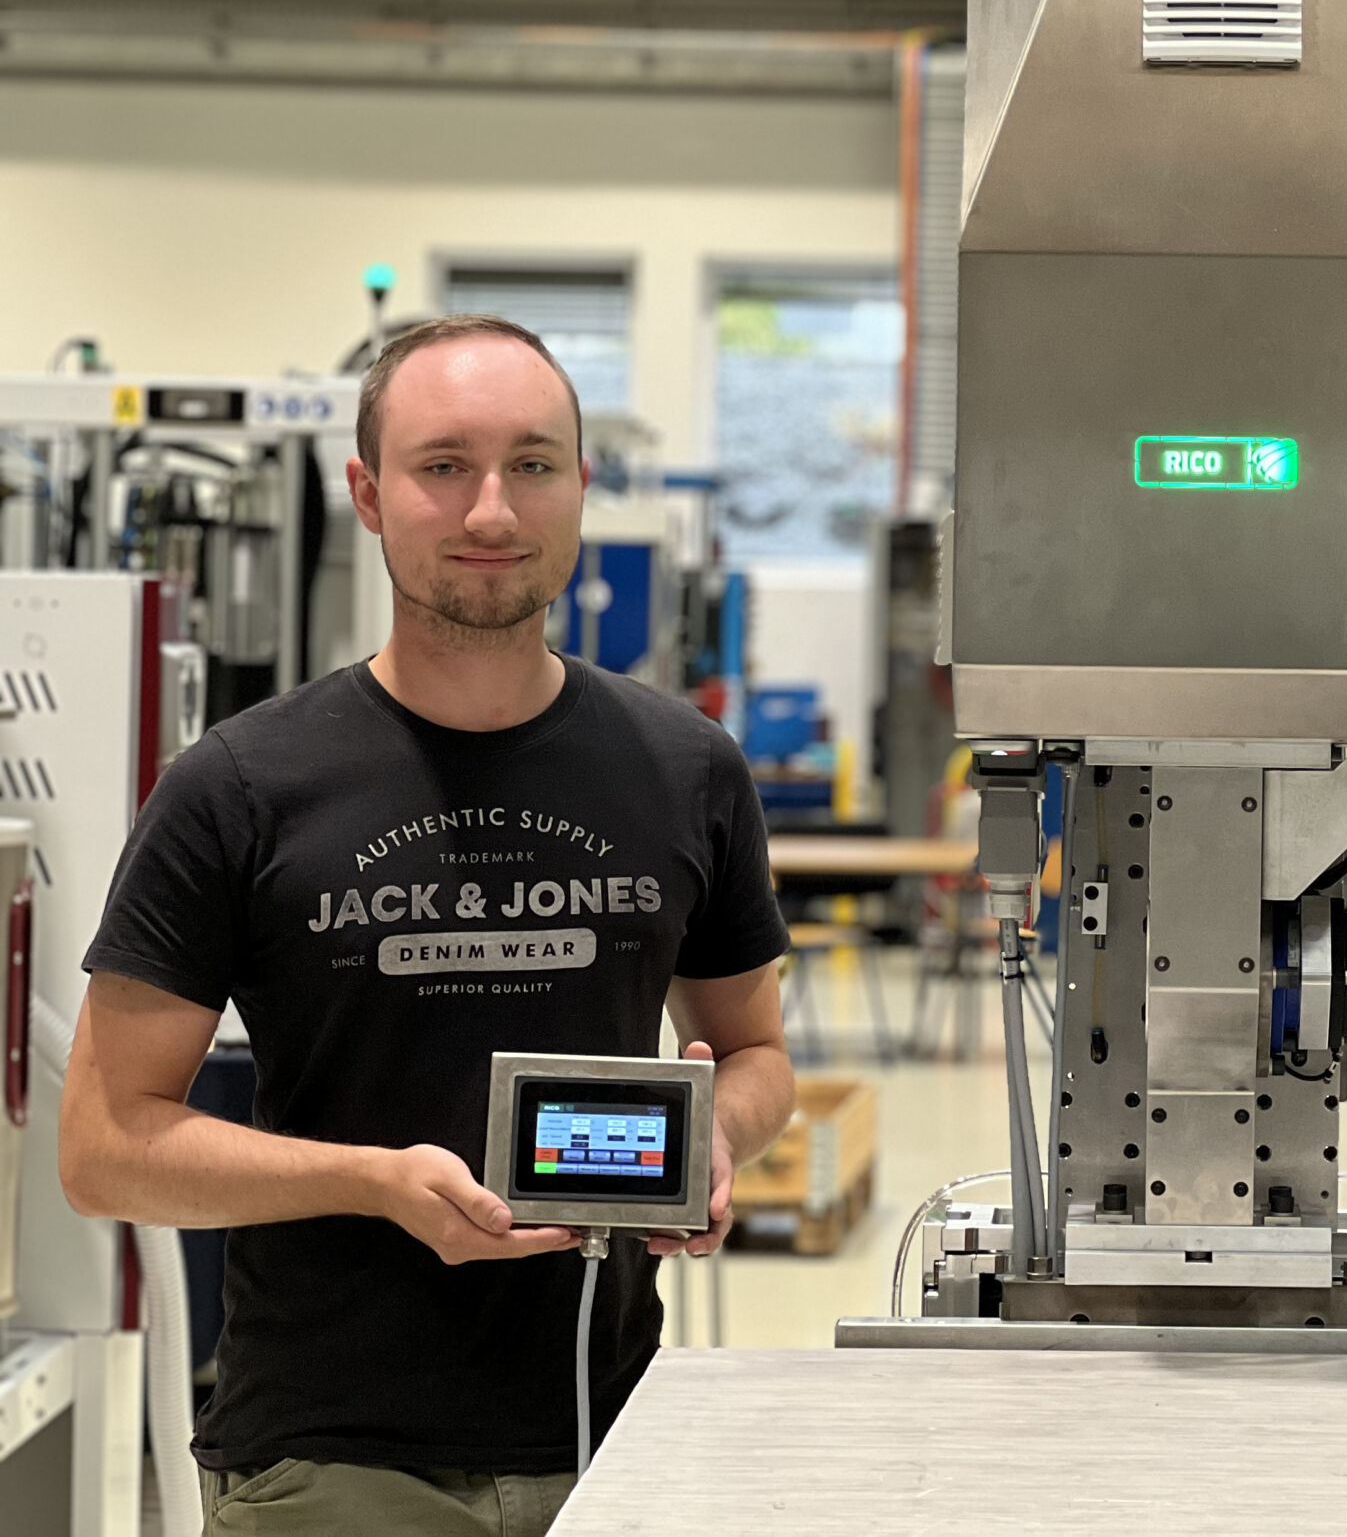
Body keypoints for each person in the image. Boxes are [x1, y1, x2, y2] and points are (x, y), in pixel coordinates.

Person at [59, 315, 795, 1536]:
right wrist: (373, 1183)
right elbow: (102, 1146)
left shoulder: (687, 769)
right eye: (443, 466)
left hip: (614, 1436)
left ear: (580, 484)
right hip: (332, 1460)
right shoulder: (240, 786)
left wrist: (711, 1140)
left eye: (532, 464)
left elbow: (757, 1054)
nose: (492, 511)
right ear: (367, 494)